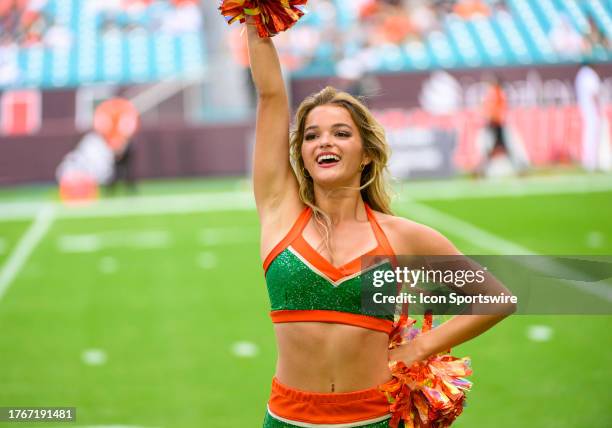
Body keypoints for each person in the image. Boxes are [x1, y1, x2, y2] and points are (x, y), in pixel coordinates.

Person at [245, 15, 515, 428]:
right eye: (312, 136)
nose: (325, 143)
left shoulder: (398, 236)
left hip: (373, 418)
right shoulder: (281, 212)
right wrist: (255, 20)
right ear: (300, 153)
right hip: (288, 419)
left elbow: (496, 297)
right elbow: (269, 96)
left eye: (340, 133)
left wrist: (420, 348)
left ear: (366, 152)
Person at [575, 61, 604, 172]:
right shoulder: (589, 74)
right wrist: (598, 108)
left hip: (584, 109)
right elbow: (594, 93)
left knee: (587, 135)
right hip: (591, 110)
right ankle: (591, 162)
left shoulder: (581, 74)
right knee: (591, 135)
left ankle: (589, 161)